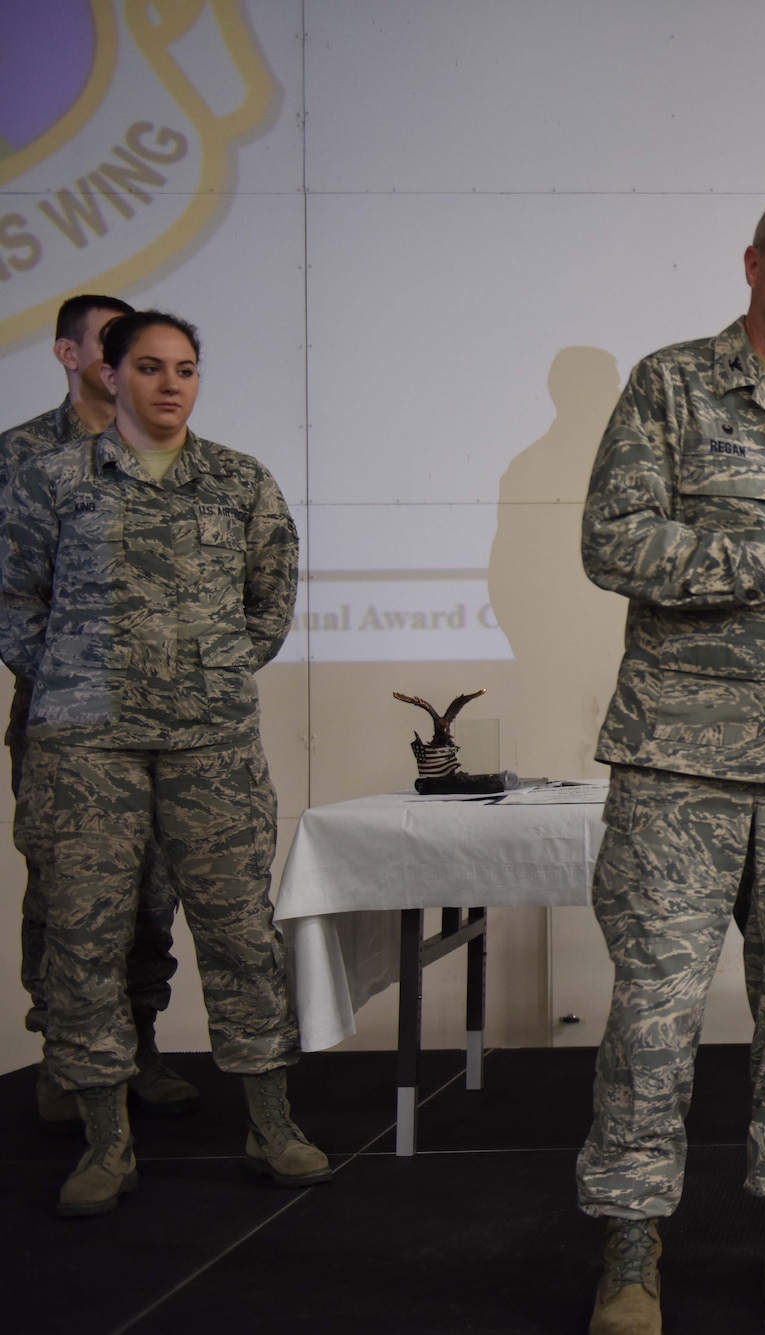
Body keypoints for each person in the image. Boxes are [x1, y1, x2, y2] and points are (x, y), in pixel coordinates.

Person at [576, 191, 765, 1335]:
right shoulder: (671, 384)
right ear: (754, 264)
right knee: (654, 1016)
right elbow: (610, 541)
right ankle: (627, 1250)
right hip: (680, 768)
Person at [0, 310, 326, 1217]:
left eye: (186, 367)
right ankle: (107, 1142)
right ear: (109, 373)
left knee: (238, 933)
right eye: (149, 366)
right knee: (84, 935)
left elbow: (272, 594)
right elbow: (13, 600)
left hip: (210, 744)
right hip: (85, 750)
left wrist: (212, 673)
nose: (171, 383)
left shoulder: (237, 480)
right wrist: (74, 679)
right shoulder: (52, 479)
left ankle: (271, 1123)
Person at [1, 294, 202, 1134]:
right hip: (65, 727)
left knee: (151, 893)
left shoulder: (181, 461)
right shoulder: (24, 457)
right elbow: (15, 601)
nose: (135, 365)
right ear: (74, 356)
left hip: (165, 725)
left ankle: (139, 1045)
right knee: (67, 895)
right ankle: (70, 1056)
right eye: (115, 348)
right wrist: (77, 689)